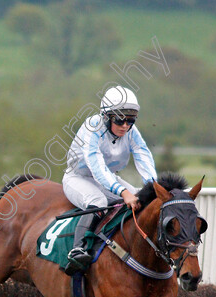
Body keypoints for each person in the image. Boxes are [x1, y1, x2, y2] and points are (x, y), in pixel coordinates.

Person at [62, 85, 157, 273]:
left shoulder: (131, 131)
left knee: (140, 199)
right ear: (106, 117)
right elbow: (96, 166)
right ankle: (77, 249)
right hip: (78, 177)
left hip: (107, 178)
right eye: (120, 120)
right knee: (97, 200)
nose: (125, 126)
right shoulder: (93, 127)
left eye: (131, 120)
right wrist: (122, 192)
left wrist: (153, 186)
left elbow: (142, 153)